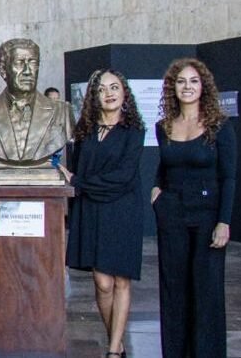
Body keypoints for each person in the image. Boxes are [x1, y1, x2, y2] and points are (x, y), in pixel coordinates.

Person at [151, 59, 236, 358]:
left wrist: (224, 221)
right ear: (173, 87)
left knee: (207, 290)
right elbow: (164, 167)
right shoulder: (163, 127)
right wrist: (156, 193)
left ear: (203, 87)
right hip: (172, 213)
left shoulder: (219, 126)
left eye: (194, 81)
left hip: (207, 215)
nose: (187, 87)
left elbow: (229, 177)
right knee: (173, 288)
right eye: (181, 81)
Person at [61, 69, 145, 358]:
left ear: (124, 92)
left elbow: (123, 177)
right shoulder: (85, 131)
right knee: (102, 282)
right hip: (93, 210)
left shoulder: (133, 130)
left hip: (123, 211)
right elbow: (79, 171)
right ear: (94, 97)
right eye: (101, 89)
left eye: (114, 87)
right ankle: (116, 341)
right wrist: (80, 183)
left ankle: (113, 351)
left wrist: (80, 183)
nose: (108, 93)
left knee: (121, 281)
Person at [0, 38, 70, 179]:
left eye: (33, 63)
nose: (27, 71)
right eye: (19, 63)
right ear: (3, 69)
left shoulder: (62, 112)